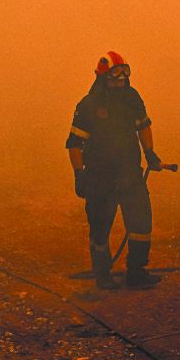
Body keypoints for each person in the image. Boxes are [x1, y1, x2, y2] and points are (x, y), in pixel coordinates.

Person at [66, 51, 164, 289]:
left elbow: (144, 126)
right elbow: (74, 144)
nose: (121, 80)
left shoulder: (132, 98)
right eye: (115, 75)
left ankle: (136, 272)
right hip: (100, 177)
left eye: (124, 74)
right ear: (101, 77)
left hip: (130, 173)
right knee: (100, 226)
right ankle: (103, 275)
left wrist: (150, 153)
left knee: (141, 223)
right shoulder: (88, 106)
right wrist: (80, 174)